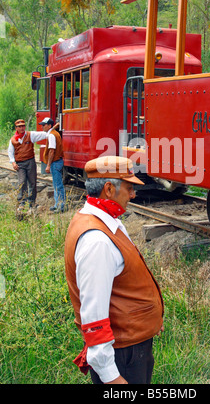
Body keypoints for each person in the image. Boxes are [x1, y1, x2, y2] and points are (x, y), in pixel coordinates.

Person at [64, 156, 164, 384]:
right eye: (129, 188)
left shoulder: (103, 220)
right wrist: (112, 378)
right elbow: (94, 316)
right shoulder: (97, 240)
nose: (133, 195)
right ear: (109, 189)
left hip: (130, 345)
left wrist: (147, 321)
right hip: (123, 357)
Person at [8, 119, 48, 211]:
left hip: (30, 162)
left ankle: (32, 202)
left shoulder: (31, 135)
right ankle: (22, 202)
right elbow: (10, 152)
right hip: (20, 164)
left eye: (23, 126)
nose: (22, 128)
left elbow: (43, 134)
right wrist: (13, 162)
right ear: (16, 128)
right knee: (22, 182)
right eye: (20, 126)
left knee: (32, 182)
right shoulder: (13, 140)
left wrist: (52, 130)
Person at [38, 117, 65, 213]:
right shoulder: (53, 133)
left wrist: (48, 165)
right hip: (57, 161)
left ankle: (60, 206)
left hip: (55, 162)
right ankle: (57, 204)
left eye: (44, 125)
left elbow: (52, 151)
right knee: (56, 184)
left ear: (49, 125)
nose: (42, 127)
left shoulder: (52, 135)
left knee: (57, 185)